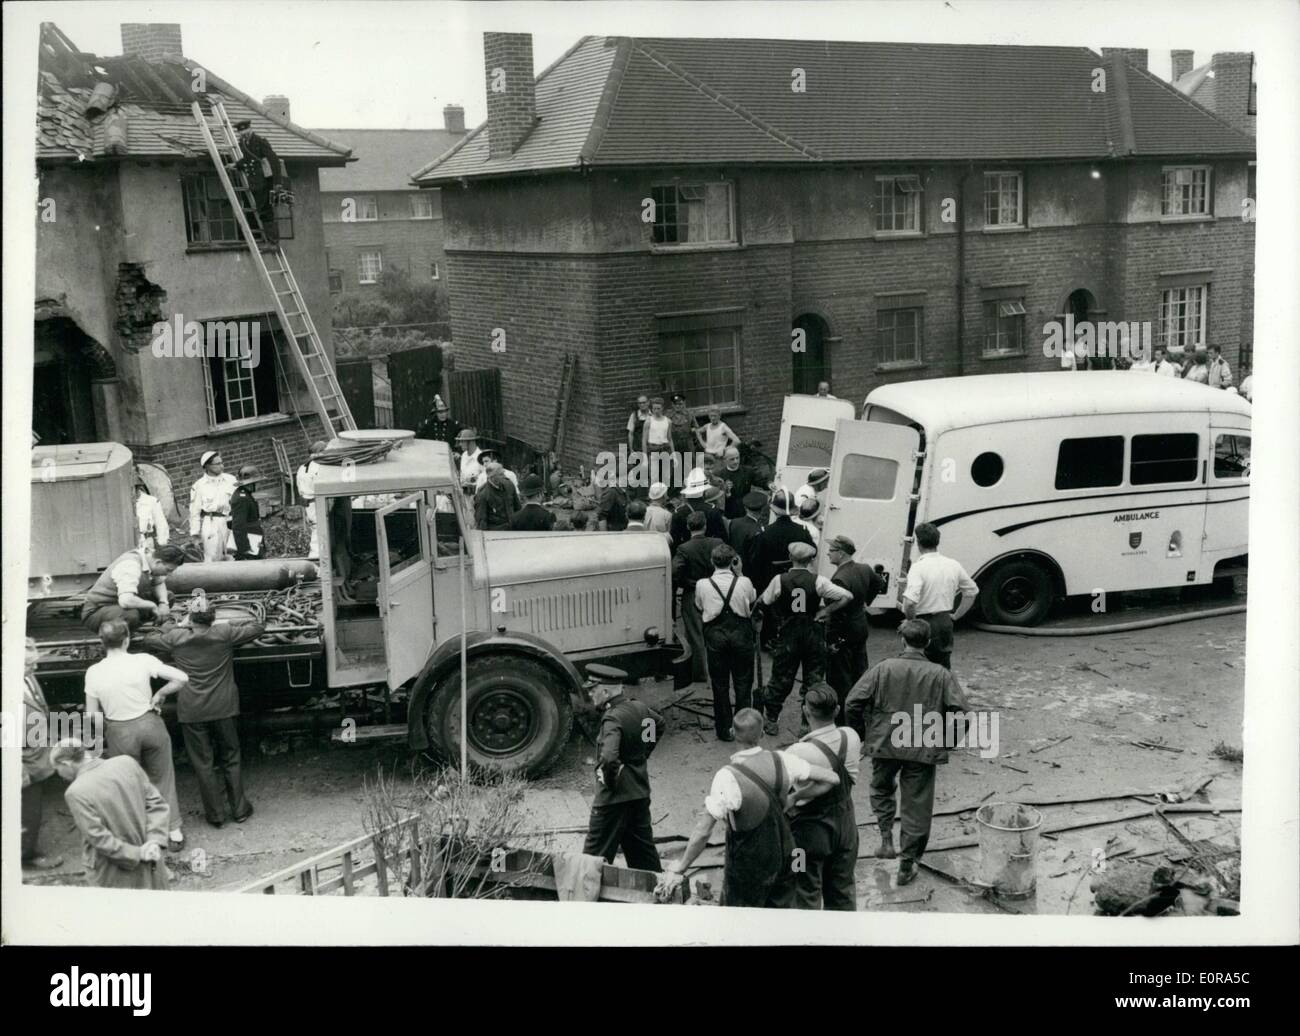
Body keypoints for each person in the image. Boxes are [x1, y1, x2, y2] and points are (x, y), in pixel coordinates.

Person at [663, 709, 838, 908]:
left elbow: (703, 832)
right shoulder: (783, 759)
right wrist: (795, 797)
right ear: (762, 734)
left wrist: (682, 865)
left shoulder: (727, 777)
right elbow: (832, 778)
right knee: (780, 918)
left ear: (731, 732)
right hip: (784, 857)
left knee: (739, 924)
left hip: (747, 868)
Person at [845, 619, 971, 886]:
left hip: (884, 742)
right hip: (923, 745)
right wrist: (947, 741)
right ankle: (906, 864)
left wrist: (863, 734)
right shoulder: (940, 674)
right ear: (927, 643)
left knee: (881, 788)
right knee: (917, 803)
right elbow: (964, 714)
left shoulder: (882, 669)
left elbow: (852, 702)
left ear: (902, 640)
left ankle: (885, 839)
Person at [142, 604, 264, 828]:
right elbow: (258, 626)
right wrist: (225, 624)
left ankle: (216, 815)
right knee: (231, 757)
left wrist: (173, 624)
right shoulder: (223, 632)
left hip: (192, 710)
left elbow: (149, 638)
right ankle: (240, 810)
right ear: (212, 618)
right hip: (224, 708)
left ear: (190, 618)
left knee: (203, 763)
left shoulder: (177, 636)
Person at [83, 620, 188, 851]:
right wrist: (160, 693)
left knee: (130, 784)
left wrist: (104, 736)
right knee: (163, 778)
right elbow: (182, 678)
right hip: (150, 724)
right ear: (127, 639)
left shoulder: (93, 673)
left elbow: (92, 715)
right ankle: (174, 831)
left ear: (102, 642)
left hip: (119, 730)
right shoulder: (142, 660)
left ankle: (142, 834)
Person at [756, 542, 854, 737]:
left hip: (788, 634)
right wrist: (826, 610)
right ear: (810, 560)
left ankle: (772, 720)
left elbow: (764, 601)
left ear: (790, 558)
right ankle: (807, 723)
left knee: (781, 678)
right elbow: (847, 596)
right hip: (813, 634)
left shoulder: (779, 579)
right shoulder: (819, 581)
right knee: (813, 679)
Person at [50, 739, 171, 890]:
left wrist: (137, 853)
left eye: (57, 769)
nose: (60, 775)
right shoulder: (126, 762)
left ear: (66, 763)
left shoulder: (76, 791)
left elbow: (98, 838)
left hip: (114, 872)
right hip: (152, 860)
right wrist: (155, 840)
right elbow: (156, 803)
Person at [785, 683, 860, 910]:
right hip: (846, 829)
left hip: (804, 837)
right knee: (843, 890)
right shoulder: (851, 737)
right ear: (837, 710)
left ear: (806, 712)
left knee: (801, 888)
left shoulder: (797, 751)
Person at [582, 677, 665, 872]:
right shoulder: (639, 708)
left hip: (612, 800)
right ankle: (655, 895)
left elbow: (609, 758)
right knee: (643, 856)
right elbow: (658, 724)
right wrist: (644, 752)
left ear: (606, 693)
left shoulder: (612, 717)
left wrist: (610, 782)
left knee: (592, 860)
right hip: (638, 791)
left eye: (594, 689)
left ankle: (585, 900)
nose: (590, 694)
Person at [696, 544, 758, 740]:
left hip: (715, 635)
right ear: (733, 561)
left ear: (712, 561)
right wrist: (739, 573)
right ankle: (743, 729)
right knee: (743, 682)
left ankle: (724, 730)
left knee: (720, 683)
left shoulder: (702, 584)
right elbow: (752, 599)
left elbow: (699, 606)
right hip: (741, 635)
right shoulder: (744, 581)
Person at [824, 535, 885, 721]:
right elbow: (879, 582)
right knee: (860, 671)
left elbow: (835, 614)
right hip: (860, 625)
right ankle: (863, 709)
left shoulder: (839, 579)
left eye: (831, 550)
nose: (828, 553)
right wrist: (866, 602)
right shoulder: (864, 569)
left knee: (840, 677)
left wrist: (831, 640)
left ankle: (844, 717)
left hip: (844, 632)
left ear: (841, 554)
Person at [902, 522, 978, 670]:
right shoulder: (953, 564)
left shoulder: (918, 567)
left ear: (918, 544)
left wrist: (911, 622)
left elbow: (910, 603)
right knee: (942, 666)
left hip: (923, 622)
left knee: (920, 666)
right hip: (944, 621)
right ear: (937, 541)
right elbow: (972, 591)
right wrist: (956, 615)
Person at [22, 638, 63, 870]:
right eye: (30, 664)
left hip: (36, 754)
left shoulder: (27, 676)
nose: (35, 668)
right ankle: (26, 856)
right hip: (23, 762)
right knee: (27, 812)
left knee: (32, 809)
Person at [746, 488, 815, 627]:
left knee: (769, 615)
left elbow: (755, 562)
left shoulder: (764, 533)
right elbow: (813, 551)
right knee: (795, 613)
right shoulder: (802, 531)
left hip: (769, 579)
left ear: (774, 510)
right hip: (796, 579)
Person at [80, 544, 185, 632]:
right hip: (98, 610)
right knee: (130, 615)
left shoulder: (151, 557)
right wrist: (153, 606)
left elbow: (158, 582)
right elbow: (126, 601)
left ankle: (131, 628)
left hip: (120, 604)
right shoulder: (130, 565)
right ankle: (118, 640)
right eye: (168, 570)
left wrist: (163, 603)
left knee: (168, 596)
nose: (169, 574)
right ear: (158, 562)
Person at [673, 511, 724, 685]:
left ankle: (700, 673)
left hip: (693, 593)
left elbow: (674, 572)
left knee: (695, 634)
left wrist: (686, 583)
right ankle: (718, 669)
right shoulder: (717, 542)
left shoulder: (684, 548)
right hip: (716, 591)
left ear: (688, 527)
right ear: (705, 526)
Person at [228, 118, 286, 246]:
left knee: (265, 210)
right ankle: (262, 238)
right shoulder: (243, 143)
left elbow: (274, 161)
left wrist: (277, 183)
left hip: (265, 181)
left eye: (246, 130)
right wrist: (236, 165)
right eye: (241, 131)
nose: (244, 133)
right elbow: (248, 160)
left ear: (250, 129)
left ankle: (273, 242)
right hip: (254, 182)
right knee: (258, 209)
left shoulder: (260, 141)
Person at [189, 451, 238, 562]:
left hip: (230, 520)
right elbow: (194, 512)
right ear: (207, 466)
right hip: (211, 522)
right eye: (218, 464)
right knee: (212, 556)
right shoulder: (199, 486)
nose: (222, 466)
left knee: (233, 553)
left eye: (222, 462)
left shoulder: (231, 480)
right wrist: (195, 534)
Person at [669, 468, 728, 548]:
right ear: (704, 491)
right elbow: (722, 538)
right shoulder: (712, 510)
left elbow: (675, 540)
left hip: (687, 552)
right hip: (710, 552)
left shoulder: (678, 512)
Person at [296, 440, 327, 561]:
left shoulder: (301, 468)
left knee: (317, 530)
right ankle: (316, 563)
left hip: (308, 504)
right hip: (317, 502)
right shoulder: (319, 468)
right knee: (319, 533)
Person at [229, 464, 266, 560]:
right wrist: (245, 549)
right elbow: (238, 526)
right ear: (250, 483)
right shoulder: (241, 498)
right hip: (250, 542)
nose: (259, 485)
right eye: (257, 482)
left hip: (254, 539)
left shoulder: (245, 495)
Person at [474, 460, 520, 530]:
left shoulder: (509, 485)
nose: (504, 476)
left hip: (513, 529)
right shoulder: (483, 494)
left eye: (503, 473)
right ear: (492, 477)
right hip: (496, 533)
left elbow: (518, 508)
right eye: (501, 474)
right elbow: (481, 521)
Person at [728, 490, 767, 571]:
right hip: (748, 570)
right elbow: (755, 559)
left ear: (745, 508)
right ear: (762, 510)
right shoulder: (757, 531)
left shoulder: (734, 522)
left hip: (733, 565)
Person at [640, 397, 675, 487]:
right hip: (653, 450)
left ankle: (665, 497)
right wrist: (644, 457)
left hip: (665, 449)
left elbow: (670, 439)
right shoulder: (649, 421)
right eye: (654, 408)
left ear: (662, 408)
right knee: (654, 476)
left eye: (658, 408)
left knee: (666, 476)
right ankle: (654, 497)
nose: (656, 411)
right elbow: (644, 439)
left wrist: (673, 454)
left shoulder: (668, 421)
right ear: (652, 409)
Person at [719, 445, 755, 520]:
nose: (736, 461)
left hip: (745, 511)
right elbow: (717, 499)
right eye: (732, 459)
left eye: (737, 458)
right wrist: (726, 493)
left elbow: (761, 480)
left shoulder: (748, 471)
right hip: (729, 513)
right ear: (725, 460)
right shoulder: (719, 475)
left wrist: (769, 484)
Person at [134, 477, 169, 553]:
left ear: (139, 487)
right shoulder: (123, 502)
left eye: (134, 488)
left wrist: (162, 544)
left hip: (146, 541)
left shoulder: (151, 501)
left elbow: (161, 523)